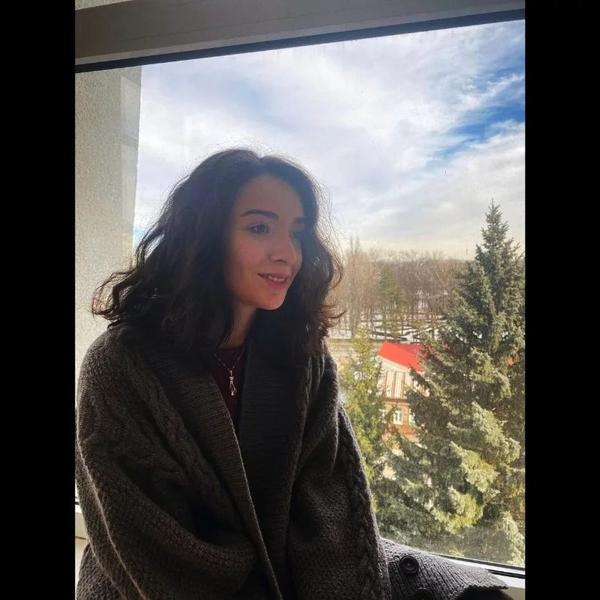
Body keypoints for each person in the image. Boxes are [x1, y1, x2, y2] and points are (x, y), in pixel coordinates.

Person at [75, 148, 511, 599]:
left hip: (289, 571)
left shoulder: (303, 359)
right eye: (259, 228)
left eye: (297, 233)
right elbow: (157, 555)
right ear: (204, 236)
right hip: (149, 584)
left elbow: (329, 519)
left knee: (475, 593)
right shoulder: (119, 368)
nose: (287, 253)